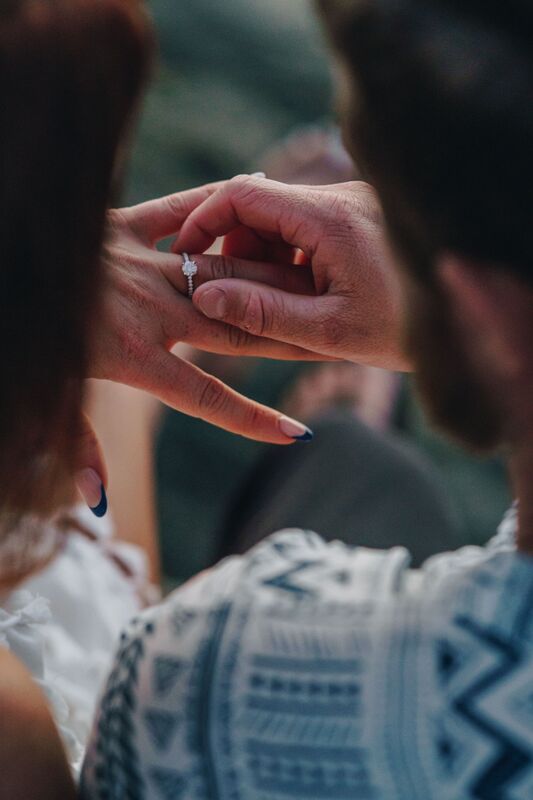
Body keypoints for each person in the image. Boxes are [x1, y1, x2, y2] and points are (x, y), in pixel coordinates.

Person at [81, 1, 533, 798]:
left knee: (360, 467)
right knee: (370, 471)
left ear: (480, 313)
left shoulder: (220, 680)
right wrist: (445, 311)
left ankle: (157, 378)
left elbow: (113, 700)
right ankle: (343, 420)